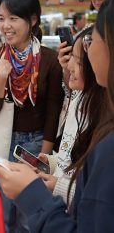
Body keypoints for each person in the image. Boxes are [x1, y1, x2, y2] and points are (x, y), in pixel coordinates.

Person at [0, 0, 114, 232]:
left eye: (93, 40)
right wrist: (50, 161)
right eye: (1, 18)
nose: (69, 66)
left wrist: (35, 195)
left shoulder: (107, 141)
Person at [0, 0, 63, 232]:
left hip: (35, 145)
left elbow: (52, 111)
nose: (5, 25)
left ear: (32, 19)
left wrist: (42, 156)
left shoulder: (50, 60)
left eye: (13, 18)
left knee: (30, 216)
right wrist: (1, 78)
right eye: (1, 18)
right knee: (2, 212)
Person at [37, 26, 106, 204]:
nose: (68, 66)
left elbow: (96, 195)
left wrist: (58, 186)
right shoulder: (78, 100)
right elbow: (71, 156)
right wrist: (52, 162)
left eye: (78, 61)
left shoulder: (103, 121)